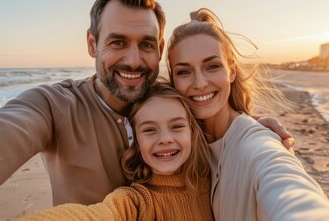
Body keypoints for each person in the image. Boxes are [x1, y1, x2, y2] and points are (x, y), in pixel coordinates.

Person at [0, 0, 293, 208]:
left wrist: (247, 128)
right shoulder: (54, 106)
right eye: (117, 42)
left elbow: (213, 114)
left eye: (146, 45)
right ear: (92, 43)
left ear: (160, 49)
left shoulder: (171, 101)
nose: (133, 60)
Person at [166, 8, 329, 220]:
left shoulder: (257, 141)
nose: (200, 83)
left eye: (212, 66)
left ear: (232, 71)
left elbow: (285, 183)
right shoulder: (174, 143)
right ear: (173, 80)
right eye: (184, 71)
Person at [16, 82, 213, 220]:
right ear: (136, 141)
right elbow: (98, 215)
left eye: (177, 126)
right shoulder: (136, 201)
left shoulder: (210, 183)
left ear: (192, 132)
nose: (165, 139)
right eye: (149, 130)